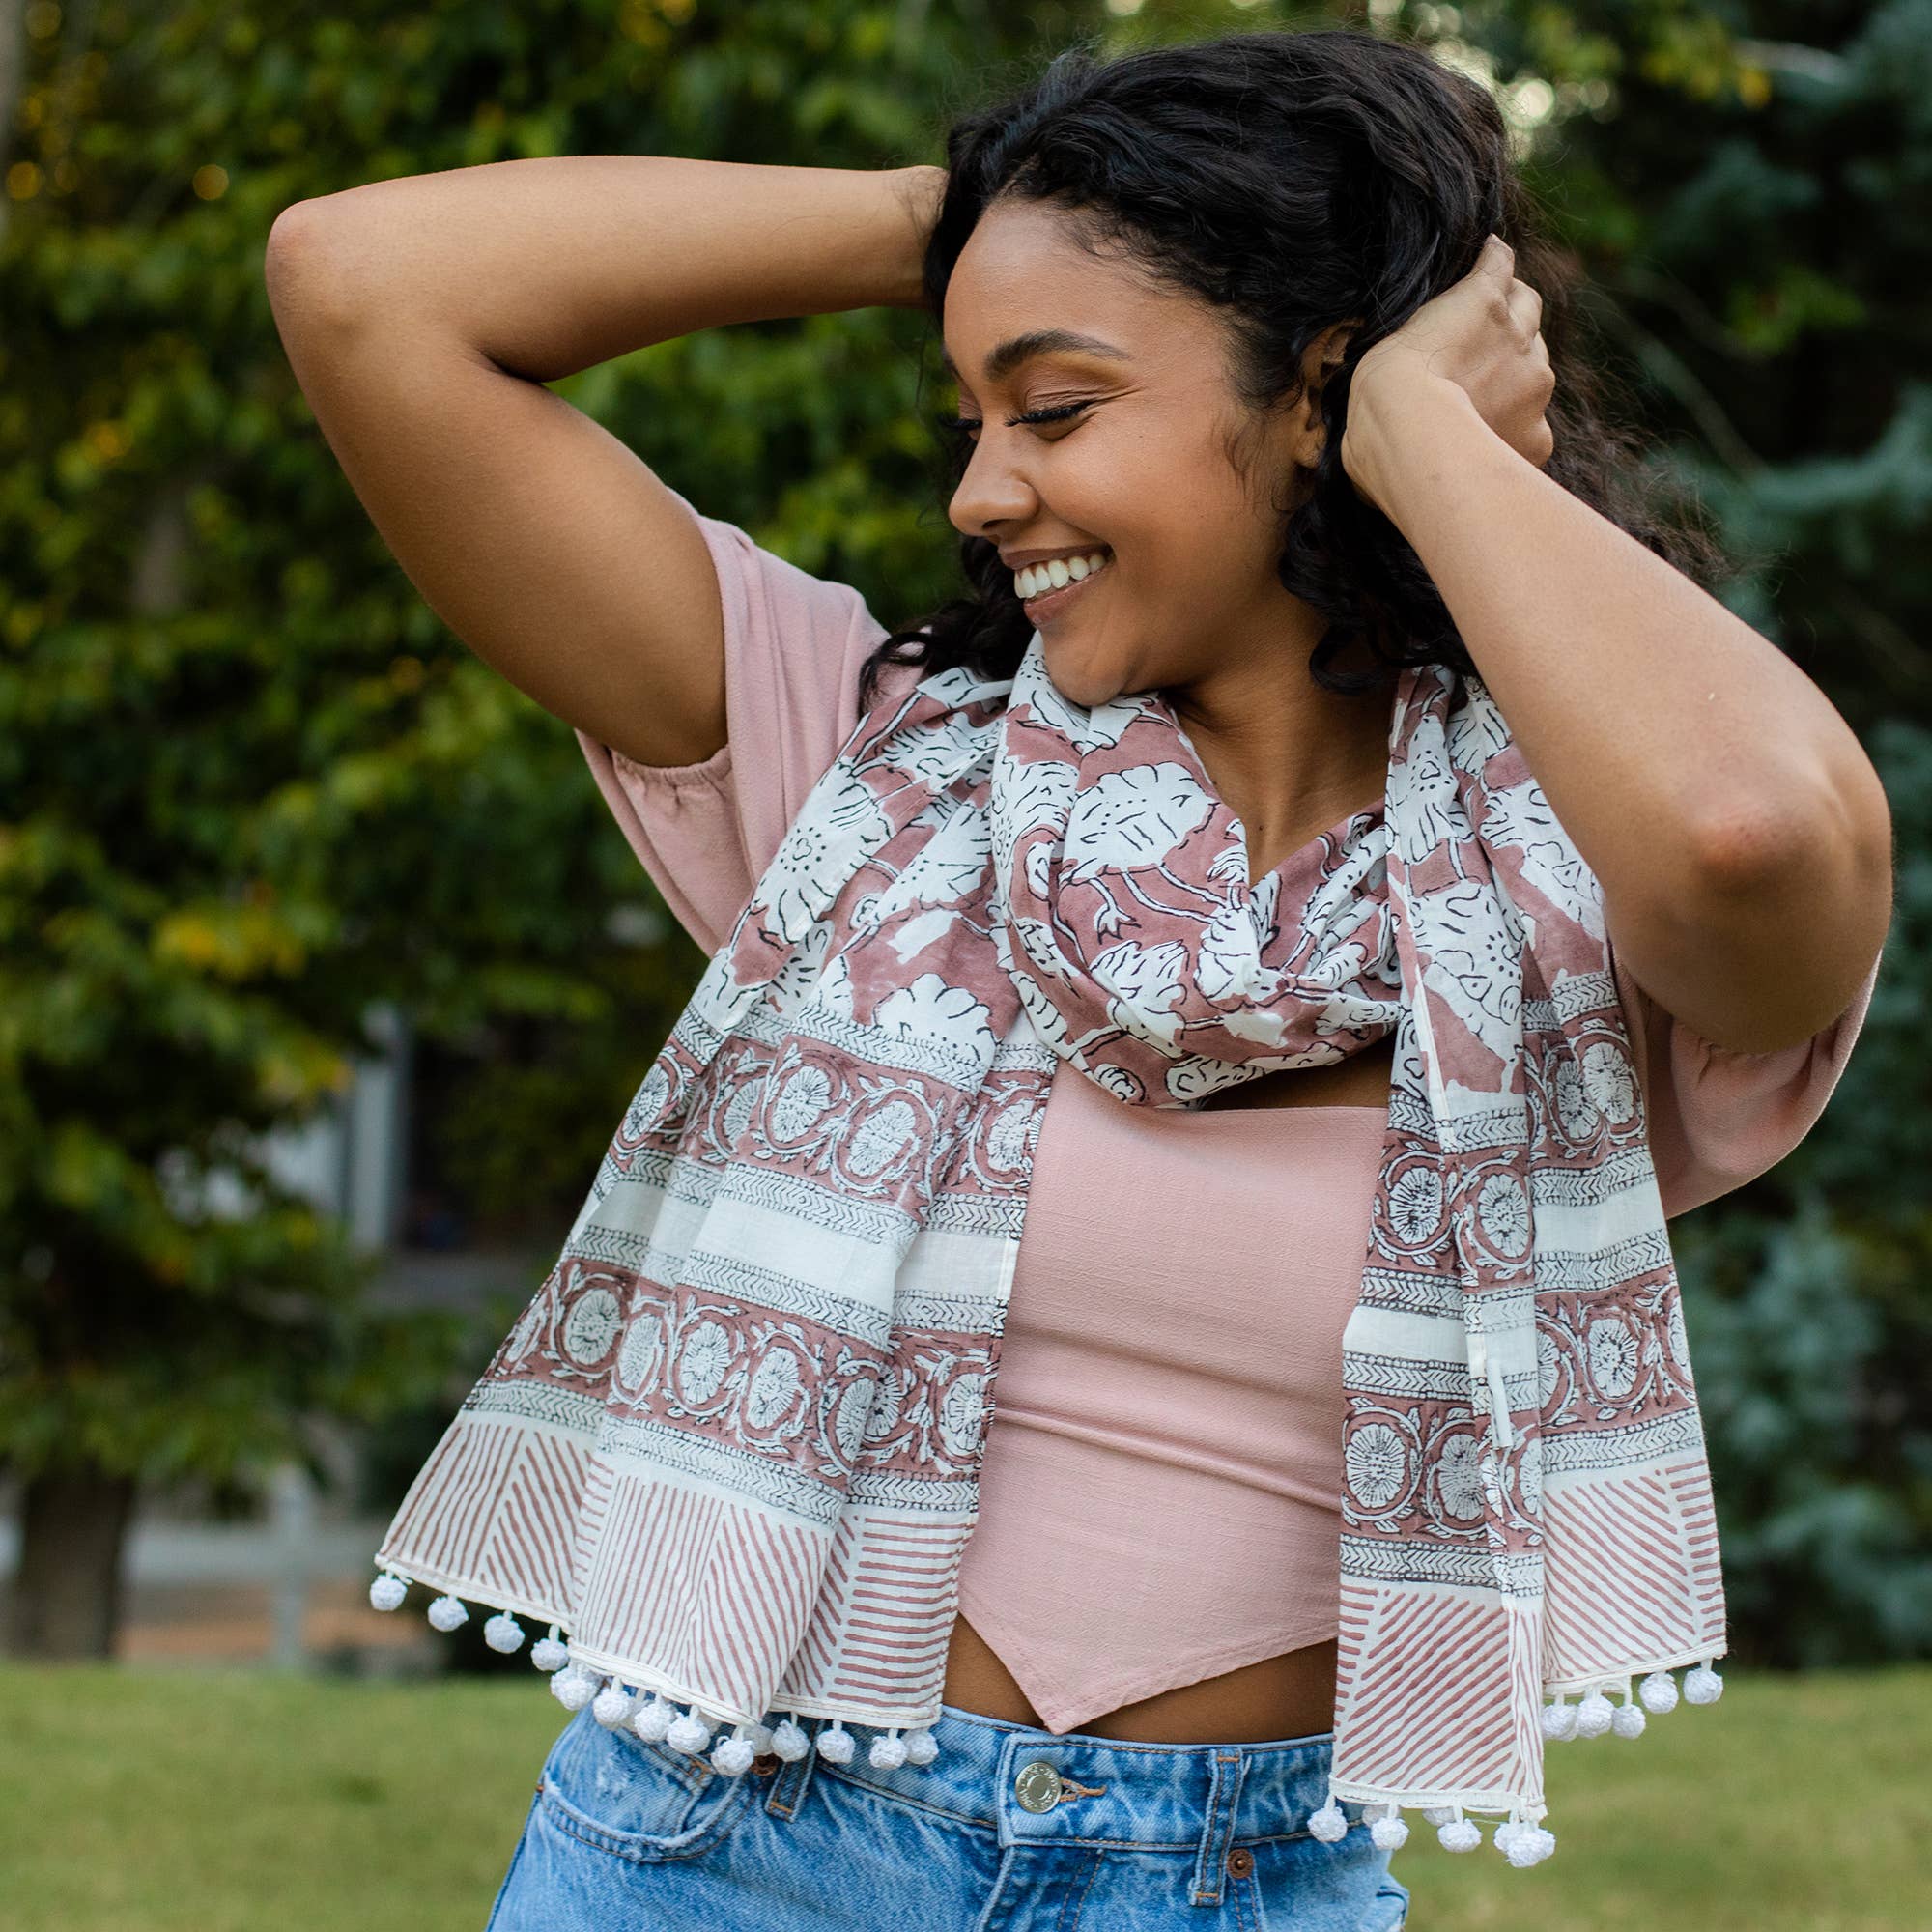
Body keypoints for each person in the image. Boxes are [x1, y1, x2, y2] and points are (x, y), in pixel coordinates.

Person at [267, 26, 1890, 1931]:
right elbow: (360, 289)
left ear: (1313, 395)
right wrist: (969, 220)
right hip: (723, 1858)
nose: (977, 490)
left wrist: (1423, 435)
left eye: (1049, 408)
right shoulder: (862, 768)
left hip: (1236, 1884)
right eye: (967, 415)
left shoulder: (1561, 896)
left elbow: (1750, 841)